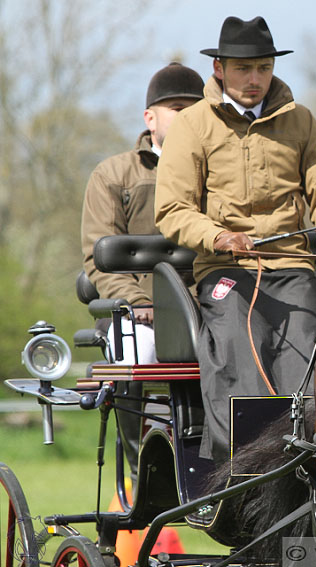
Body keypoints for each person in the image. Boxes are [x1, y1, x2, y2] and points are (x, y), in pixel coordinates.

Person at [155, 16, 316, 464]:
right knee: (238, 358)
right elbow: (173, 210)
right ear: (220, 70)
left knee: (311, 360)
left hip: (292, 268)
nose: (254, 79)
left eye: (263, 68)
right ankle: (243, 469)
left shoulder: (300, 122)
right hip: (227, 272)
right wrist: (219, 236)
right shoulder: (192, 126)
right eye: (244, 69)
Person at [81, 62, 205, 478]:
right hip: (138, 315)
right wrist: (140, 301)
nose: (186, 116)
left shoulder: (216, 175)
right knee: (143, 354)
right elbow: (96, 256)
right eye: (176, 108)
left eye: (195, 108)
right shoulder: (114, 175)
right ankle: (146, 472)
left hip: (207, 305)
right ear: (150, 117)